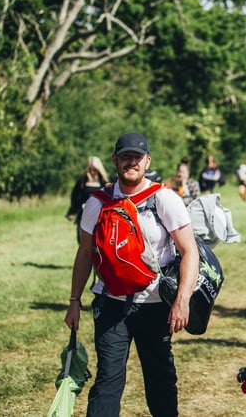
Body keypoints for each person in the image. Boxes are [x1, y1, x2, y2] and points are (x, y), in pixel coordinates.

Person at [64, 132, 200, 417]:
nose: (131, 162)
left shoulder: (164, 199)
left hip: (155, 305)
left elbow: (189, 251)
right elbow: (85, 253)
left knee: (159, 376)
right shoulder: (97, 202)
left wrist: (182, 300)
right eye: (125, 157)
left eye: (137, 158)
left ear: (147, 161)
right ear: (115, 160)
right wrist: (74, 300)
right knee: (108, 379)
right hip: (111, 303)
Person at [65, 156, 109, 243]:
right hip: (84, 215)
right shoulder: (82, 182)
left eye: (94, 169)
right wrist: (71, 212)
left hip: (100, 216)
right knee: (83, 241)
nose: (92, 171)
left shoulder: (105, 182)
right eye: (90, 169)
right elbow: (76, 198)